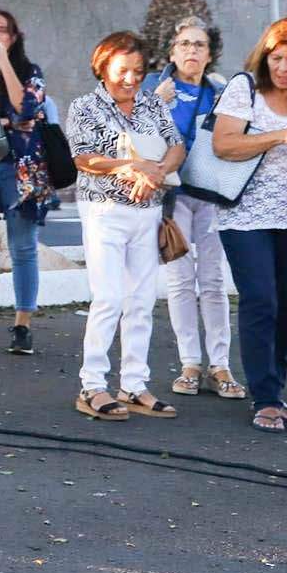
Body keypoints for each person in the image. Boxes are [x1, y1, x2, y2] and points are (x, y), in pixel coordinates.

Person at [213, 17, 287, 432]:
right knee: (260, 299)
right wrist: (281, 135)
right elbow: (224, 144)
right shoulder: (244, 88)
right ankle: (263, 399)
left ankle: (276, 392)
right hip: (245, 214)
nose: (283, 67)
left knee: (286, 306)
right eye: (277, 58)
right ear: (266, 55)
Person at [65, 31, 186, 421]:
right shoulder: (85, 106)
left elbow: (176, 145)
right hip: (104, 210)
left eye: (137, 70)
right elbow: (84, 158)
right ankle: (93, 385)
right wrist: (133, 167)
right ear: (103, 66)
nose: (131, 79)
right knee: (109, 299)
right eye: (122, 70)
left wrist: (157, 172)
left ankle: (134, 384)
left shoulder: (152, 104)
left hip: (147, 211)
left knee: (141, 300)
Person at [150, 19, 243, 401]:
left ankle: (220, 365)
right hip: (173, 195)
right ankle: (190, 363)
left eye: (199, 45)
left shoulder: (221, 91)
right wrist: (157, 102)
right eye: (184, 43)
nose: (191, 51)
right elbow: (136, 133)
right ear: (172, 51)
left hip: (210, 194)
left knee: (213, 281)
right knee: (180, 280)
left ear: (209, 53)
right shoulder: (155, 87)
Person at [0, 8, 53, 356]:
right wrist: (7, 122)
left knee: (23, 249)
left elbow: (26, 110)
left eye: (2, 30)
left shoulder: (28, 72)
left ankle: (23, 324)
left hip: (20, 170)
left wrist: (4, 64)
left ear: (13, 37)